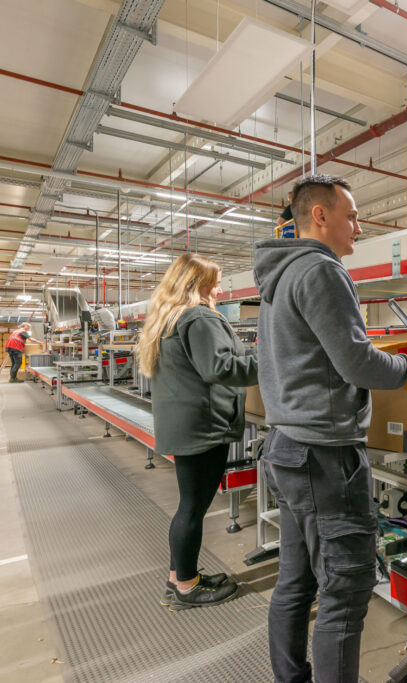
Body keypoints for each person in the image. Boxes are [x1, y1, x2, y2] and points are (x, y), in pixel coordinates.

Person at [254, 174, 407, 683]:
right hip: (324, 457)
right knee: (346, 589)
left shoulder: (280, 275)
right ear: (320, 215)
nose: (358, 226)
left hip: (288, 447)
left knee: (296, 583)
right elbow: (356, 361)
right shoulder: (321, 270)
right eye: (352, 216)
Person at [137, 253, 258, 611]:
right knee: (192, 508)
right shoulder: (199, 317)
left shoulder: (170, 318)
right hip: (202, 426)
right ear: (198, 285)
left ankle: (178, 578)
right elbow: (219, 368)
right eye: (215, 284)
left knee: (189, 505)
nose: (220, 291)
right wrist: (272, 363)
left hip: (185, 423)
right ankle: (186, 588)